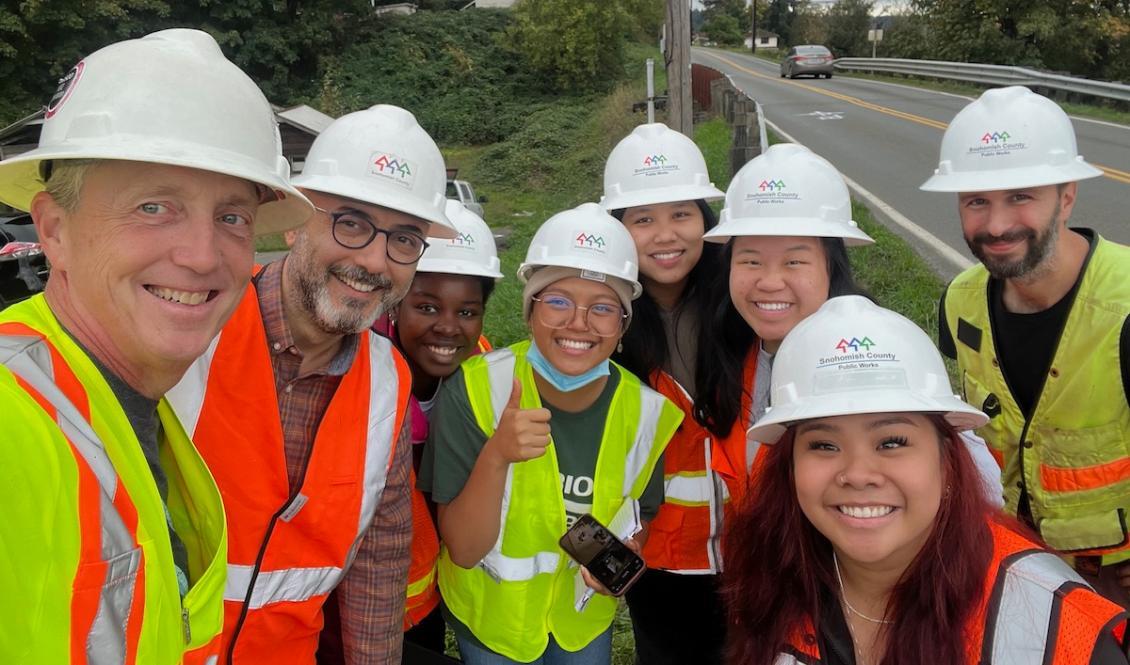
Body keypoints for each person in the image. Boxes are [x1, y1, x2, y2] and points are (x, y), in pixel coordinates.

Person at [0, 29, 313, 664]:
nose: (202, 257)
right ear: (54, 231)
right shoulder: (13, 421)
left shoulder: (124, 404)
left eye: (232, 217)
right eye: (154, 206)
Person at [167, 104, 455, 664]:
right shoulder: (194, 320)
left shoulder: (387, 379)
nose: (374, 260)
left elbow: (379, 551)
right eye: (350, 223)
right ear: (297, 218)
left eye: (405, 239)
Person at [724, 295, 1129, 665]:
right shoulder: (771, 579)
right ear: (789, 468)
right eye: (824, 446)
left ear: (947, 462)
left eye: (892, 442)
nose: (858, 474)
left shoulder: (1054, 624)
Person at [419, 203, 684, 664]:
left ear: (622, 325)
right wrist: (497, 455)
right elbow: (462, 550)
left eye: (603, 307)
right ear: (529, 311)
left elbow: (639, 518)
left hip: (581, 625)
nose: (578, 323)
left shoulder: (646, 412)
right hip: (492, 627)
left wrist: (623, 562)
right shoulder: (478, 388)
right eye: (558, 301)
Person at [696, 143, 1003, 505]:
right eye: (750, 262)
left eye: (795, 262)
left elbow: (982, 490)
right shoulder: (733, 358)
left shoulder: (879, 357)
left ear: (832, 267)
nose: (770, 281)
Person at [922, 86, 1130, 607]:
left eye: (1020, 196)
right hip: (1013, 566)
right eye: (976, 201)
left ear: (1066, 196)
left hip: (1114, 581)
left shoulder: (1125, 307)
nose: (996, 225)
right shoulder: (960, 303)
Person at [599, 122, 732, 665]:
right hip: (658, 562)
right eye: (643, 219)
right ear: (618, 229)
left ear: (706, 218)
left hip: (756, 556)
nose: (666, 235)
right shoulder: (604, 324)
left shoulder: (744, 304)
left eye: (681, 214)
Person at [389, 200, 503, 655]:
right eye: (427, 307)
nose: (448, 328)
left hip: (437, 589)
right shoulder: (365, 378)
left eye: (467, 312)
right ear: (395, 305)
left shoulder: (484, 376)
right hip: (367, 600)